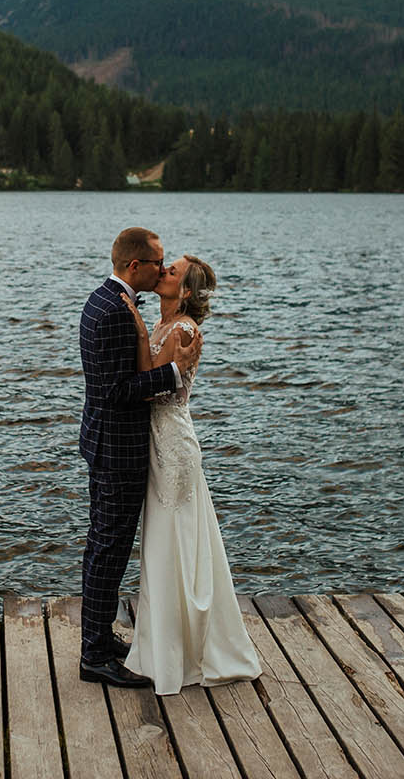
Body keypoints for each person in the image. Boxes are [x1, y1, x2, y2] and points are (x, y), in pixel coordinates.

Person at [121, 253, 262, 695]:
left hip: (173, 445)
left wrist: (140, 330)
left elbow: (149, 382)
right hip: (157, 441)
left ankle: (183, 650)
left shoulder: (182, 328)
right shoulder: (168, 324)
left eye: (173, 271)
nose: (163, 271)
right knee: (163, 538)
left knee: (174, 537)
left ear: (184, 290)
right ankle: (165, 643)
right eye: (165, 266)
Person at [78, 227, 201, 687]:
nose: (161, 270)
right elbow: (115, 391)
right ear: (135, 267)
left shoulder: (105, 301)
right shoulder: (113, 311)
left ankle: (100, 637)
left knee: (104, 547)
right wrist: (172, 371)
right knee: (108, 549)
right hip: (118, 448)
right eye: (157, 263)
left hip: (108, 442)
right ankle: (93, 654)